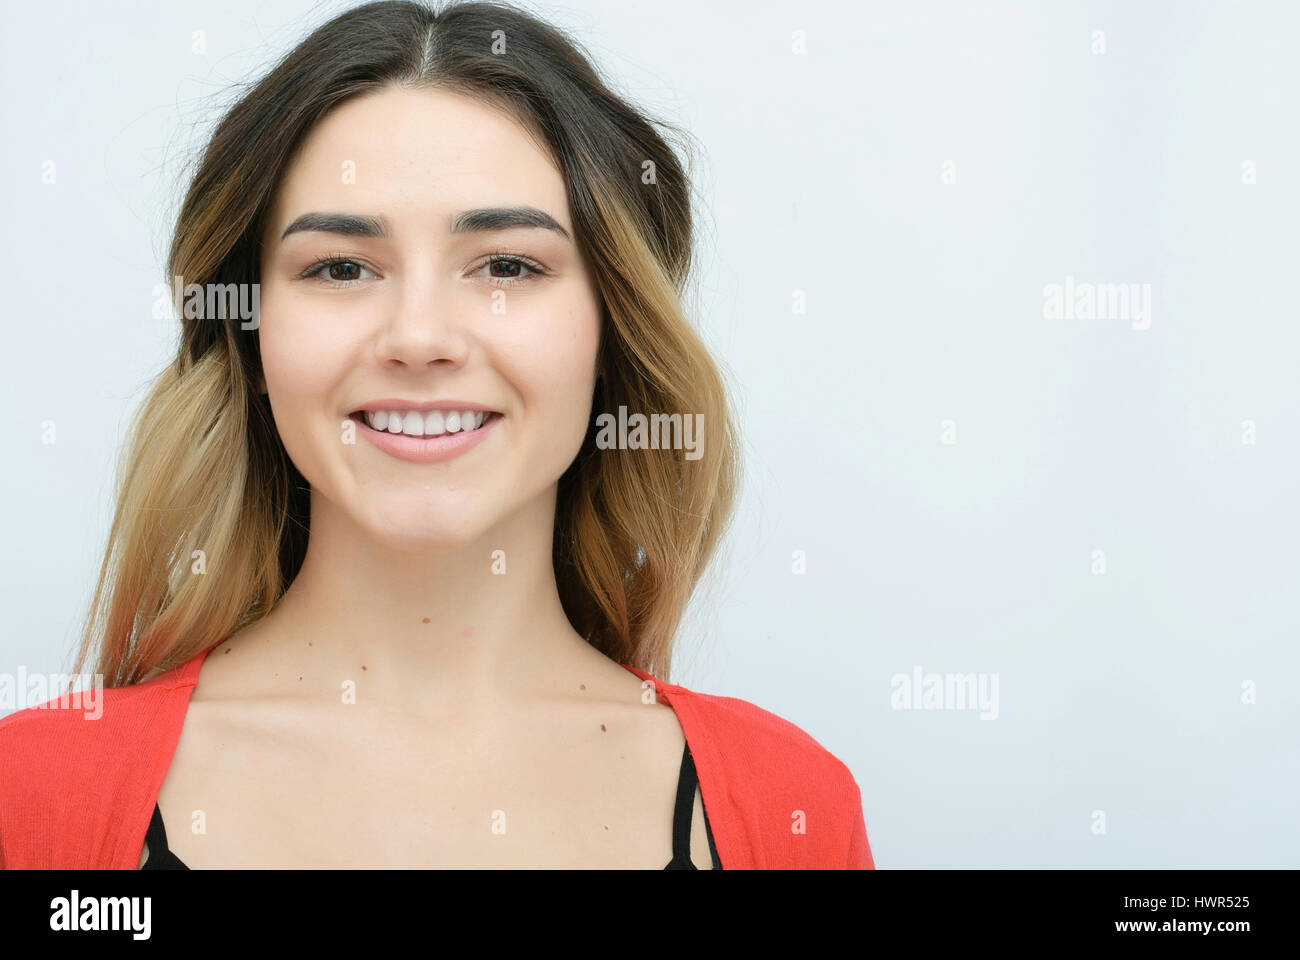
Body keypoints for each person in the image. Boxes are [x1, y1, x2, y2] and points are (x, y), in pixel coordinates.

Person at [0, 0, 874, 870]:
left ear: (612, 331)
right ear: (250, 337)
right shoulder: (32, 795)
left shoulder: (790, 808)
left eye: (507, 265)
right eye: (340, 268)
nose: (418, 338)